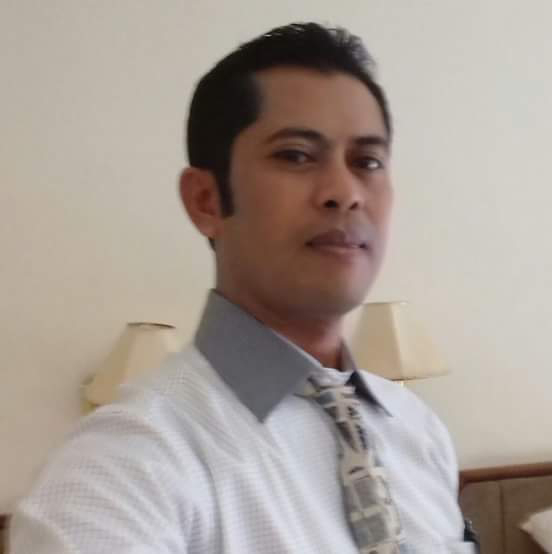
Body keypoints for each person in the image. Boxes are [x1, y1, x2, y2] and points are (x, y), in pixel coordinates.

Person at [9, 22, 477, 554]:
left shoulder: (418, 429)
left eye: (367, 161)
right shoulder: (119, 471)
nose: (345, 192)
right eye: (296, 155)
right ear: (206, 200)